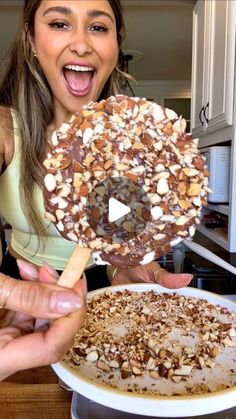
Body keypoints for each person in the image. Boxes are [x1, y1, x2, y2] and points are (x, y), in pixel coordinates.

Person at [0, 0, 192, 377]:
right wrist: (11, 294)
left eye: (98, 27)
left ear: (114, 45)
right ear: (31, 38)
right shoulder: (5, 128)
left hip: (103, 289)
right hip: (21, 300)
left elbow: (118, 228)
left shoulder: (132, 143)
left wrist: (123, 259)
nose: (82, 44)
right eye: (59, 23)